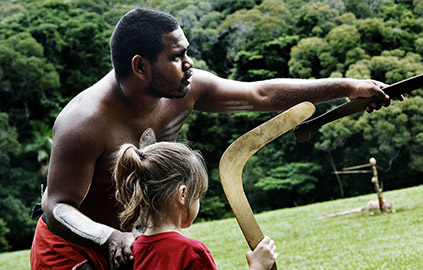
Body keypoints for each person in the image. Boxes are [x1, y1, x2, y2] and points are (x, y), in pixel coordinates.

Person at [30, 8, 400, 270]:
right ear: (140, 66)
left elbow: (261, 95)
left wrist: (348, 87)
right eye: (177, 57)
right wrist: (107, 238)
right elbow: (57, 205)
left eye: (187, 52)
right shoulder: (84, 121)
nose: (190, 63)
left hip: (135, 245)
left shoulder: (186, 90)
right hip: (72, 249)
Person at [113, 142, 277, 269]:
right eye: (198, 195)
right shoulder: (191, 253)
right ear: (183, 194)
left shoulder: (130, 252)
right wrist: (258, 266)